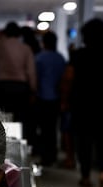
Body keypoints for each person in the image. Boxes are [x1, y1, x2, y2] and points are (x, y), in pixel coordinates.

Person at [61, 18, 103, 187]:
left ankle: (86, 176)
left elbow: (68, 78)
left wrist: (65, 101)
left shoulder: (79, 55)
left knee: (84, 141)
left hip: (83, 103)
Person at [0, 21, 37, 125]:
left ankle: (4, 140)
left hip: (3, 86)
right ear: (19, 33)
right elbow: (31, 71)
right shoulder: (25, 48)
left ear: (6, 32)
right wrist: (33, 90)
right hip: (20, 87)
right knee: (20, 119)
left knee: (3, 119)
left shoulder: (0, 46)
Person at [33, 30, 67, 166]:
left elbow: (36, 78)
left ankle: (45, 156)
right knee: (53, 128)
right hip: (56, 98)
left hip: (42, 97)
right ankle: (52, 155)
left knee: (43, 128)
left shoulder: (39, 58)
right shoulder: (61, 58)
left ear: (44, 42)